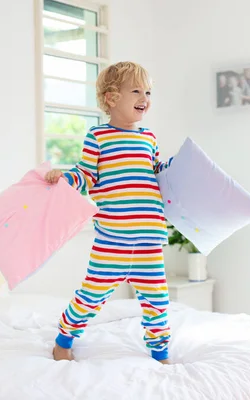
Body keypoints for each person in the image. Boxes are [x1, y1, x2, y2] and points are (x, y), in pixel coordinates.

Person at [44, 61, 173, 365]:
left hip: (148, 240)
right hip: (111, 239)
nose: (146, 98)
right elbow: (86, 174)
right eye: (137, 91)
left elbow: (159, 176)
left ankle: (160, 352)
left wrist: (179, 171)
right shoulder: (98, 137)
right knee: (91, 296)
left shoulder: (148, 138)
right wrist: (64, 178)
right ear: (113, 98)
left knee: (158, 302)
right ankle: (63, 340)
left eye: (149, 91)